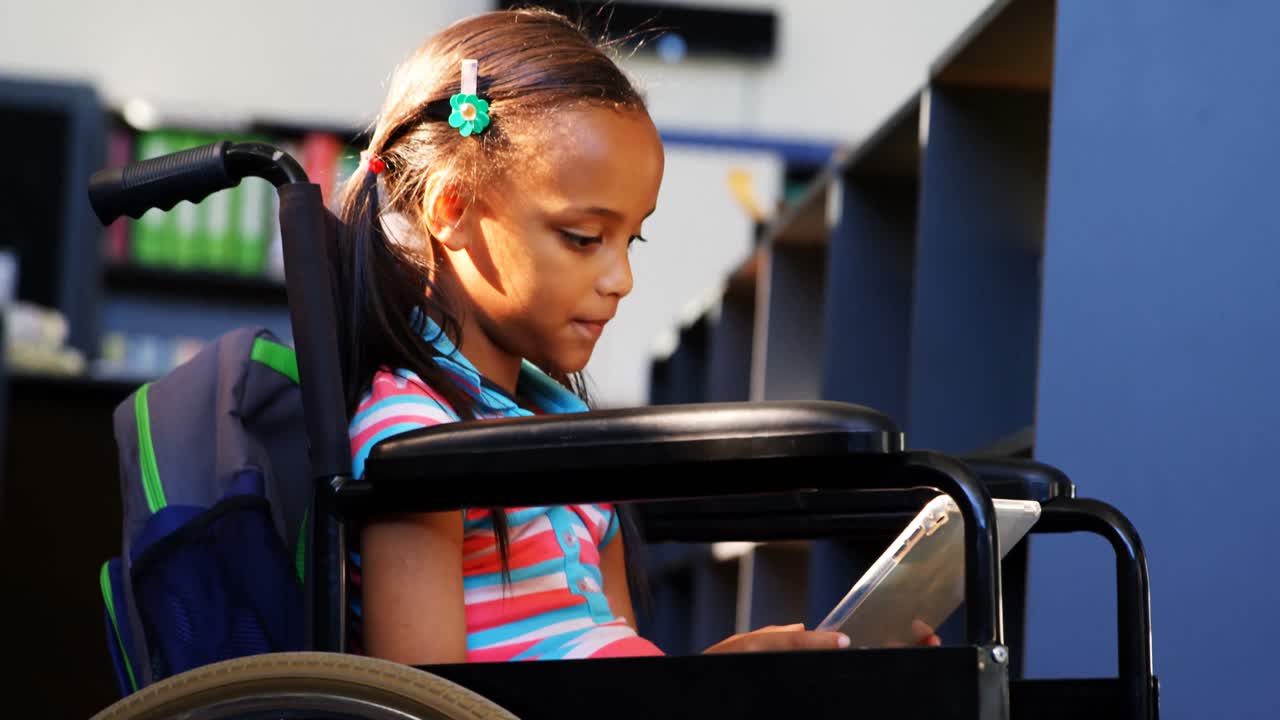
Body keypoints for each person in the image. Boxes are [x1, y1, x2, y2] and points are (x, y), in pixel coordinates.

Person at [336, 8, 936, 665]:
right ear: (452, 208)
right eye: (584, 238)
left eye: (631, 240)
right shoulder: (414, 437)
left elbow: (619, 667)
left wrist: (728, 676)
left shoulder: (565, 430)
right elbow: (422, 702)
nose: (621, 279)